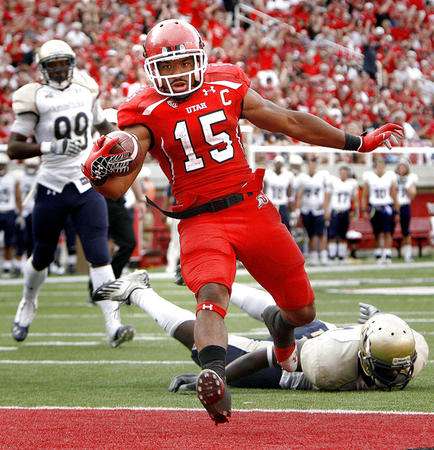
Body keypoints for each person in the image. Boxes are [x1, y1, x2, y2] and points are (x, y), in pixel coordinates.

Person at [83, 20, 403, 423]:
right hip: (199, 219)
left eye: (183, 63)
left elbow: (287, 120)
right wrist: (99, 172)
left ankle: (281, 336)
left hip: (251, 208)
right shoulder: (142, 111)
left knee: (302, 312)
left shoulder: (227, 83)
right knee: (211, 295)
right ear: (151, 69)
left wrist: (357, 141)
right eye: (167, 67)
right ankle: (213, 377)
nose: (178, 74)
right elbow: (116, 189)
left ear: (199, 59)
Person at [91, 270, 428, 392]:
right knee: (208, 348)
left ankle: (211, 281)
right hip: (302, 355)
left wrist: (378, 319)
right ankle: (140, 290)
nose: (397, 377)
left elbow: (388, 334)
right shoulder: (328, 365)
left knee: (285, 316)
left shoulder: (410, 346)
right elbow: (266, 355)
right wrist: (215, 375)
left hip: (323, 335)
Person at [7, 39, 134, 347]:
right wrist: (50, 146)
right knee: (43, 255)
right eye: (54, 65)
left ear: (72, 63)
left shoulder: (86, 88)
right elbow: (13, 147)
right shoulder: (35, 97)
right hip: (51, 184)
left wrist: (124, 143)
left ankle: (112, 323)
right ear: (43, 69)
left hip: (84, 182)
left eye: (65, 63)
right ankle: (28, 302)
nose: (61, 70)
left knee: (100, 255)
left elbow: (102, 123)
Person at [294, 156, 331, 266]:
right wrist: (297, 209)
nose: (312, 166)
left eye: (314, 163)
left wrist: (326, 209)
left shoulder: (322, 176)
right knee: (311, 234)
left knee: (321, 233)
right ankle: (314, 255)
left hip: (319, 209)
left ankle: (323, 255)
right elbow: (299, 195)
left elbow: (326, 194)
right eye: (310, 163)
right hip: (306, 210)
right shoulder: (302, 178)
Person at [362, 158, 399, 264]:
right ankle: (378, 254)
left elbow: (394, 195)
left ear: (385, 166)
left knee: (388, 232)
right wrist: (364, 210)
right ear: (375, 166)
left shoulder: (390, 176)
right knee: (377, 232)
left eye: (382, 165)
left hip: (387, 206)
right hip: (374, 207)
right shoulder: (369, 177)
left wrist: (397, 211)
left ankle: (387, 254)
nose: (380, 167)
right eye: (378, 165)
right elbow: (365, 195)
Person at [328, 164, 359, 262]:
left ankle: (341, 255)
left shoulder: (352, 183)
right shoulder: (334, 182)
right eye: (342, 172)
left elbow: (355, 199)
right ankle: (332, 256)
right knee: (332, 234)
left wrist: (355, 211)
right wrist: (327, 210)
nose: (343, 174)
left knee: (343, 234)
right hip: (335, 211)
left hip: (345, 211)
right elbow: (328, 197)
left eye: (345, 173)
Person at [14, 157, 40, 273]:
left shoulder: (41, 175)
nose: (31, 168)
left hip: (38, 211)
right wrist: (19, 213)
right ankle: (21, 264)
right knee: (23, 240)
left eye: (33, 166)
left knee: (38, 239)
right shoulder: (19, 176)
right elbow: (18, 195)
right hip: (25, 212)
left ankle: (36, 263)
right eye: (29, 166)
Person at [0, 153, 22, 276]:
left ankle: (7, 266)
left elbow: (18, 197)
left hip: (9, 211)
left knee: (9, 241)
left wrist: (19, 213)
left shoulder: (13, 178)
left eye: (2, 165)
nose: (1, 167)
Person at [395, 158, 417, 262]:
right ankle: (386, 255)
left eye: (404, 166)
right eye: (400, 166)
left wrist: (407, 186)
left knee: (406, 231)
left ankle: (408, 254)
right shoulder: (393, 178)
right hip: (394, 205)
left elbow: (413, 195)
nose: (402, 168)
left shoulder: (410, 178)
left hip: (404, 205)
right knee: (389, 230)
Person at [263, 155, 293, 231]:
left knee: (286, 227)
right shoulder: (268, 174)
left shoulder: (287, 175)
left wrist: (290, 204)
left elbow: (289, 192)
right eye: (277, 163)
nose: (278, 165)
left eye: (280, 163)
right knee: (269, 227)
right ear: (274, 163)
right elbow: (264, 190)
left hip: (282, 204)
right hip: (271, 204)